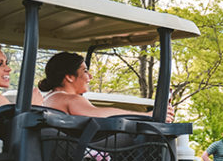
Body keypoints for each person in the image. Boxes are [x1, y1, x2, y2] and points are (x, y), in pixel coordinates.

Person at [37, 51, 174, 121]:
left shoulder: (51, 98)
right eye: (85, 71)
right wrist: (149, 116)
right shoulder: (70, 99)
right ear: (69, 77)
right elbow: (102, 115)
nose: (90, 77)